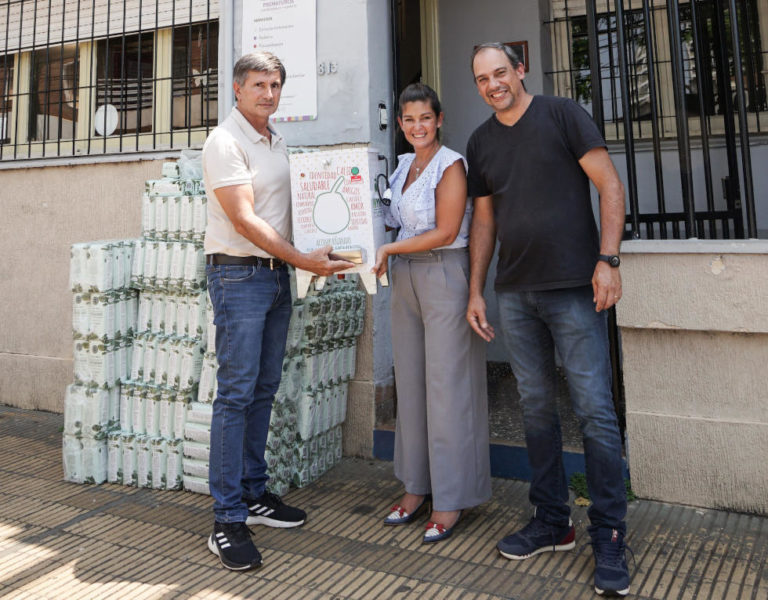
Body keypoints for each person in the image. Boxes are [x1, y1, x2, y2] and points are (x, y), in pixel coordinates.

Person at [465, 43, 630, 596]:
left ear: (520, 70)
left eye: (500, 73)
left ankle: (608, 532)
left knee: (595, 411)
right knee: (536, 409)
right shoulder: (481, 141)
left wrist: (608, 261)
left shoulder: (562, 114)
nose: (493, 85)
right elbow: (483, 222)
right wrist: (476, 289)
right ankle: (552, 521)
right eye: (482, 79)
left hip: (574, 290)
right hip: (515, 294)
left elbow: (609, 185)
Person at [202, 51, 352, 571]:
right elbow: (244, 220)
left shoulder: (276, 140)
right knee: (237, 393)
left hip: (273, 276)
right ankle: (226, 520)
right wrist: (302, 259)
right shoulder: (225, 143)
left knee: (264, 388)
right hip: (239, 275)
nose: (269, 93)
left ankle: (252, 493)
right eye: (259, 84)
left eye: (276, 84)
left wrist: (325, 249)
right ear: (237, 89)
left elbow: (291, 212)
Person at [373, 82, 491, 543]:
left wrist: (390, 246)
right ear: (400, 125)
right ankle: (416, 487)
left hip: (444, 275)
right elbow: (389, 220)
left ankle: (451, 497)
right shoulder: (403, 166)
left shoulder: (452, 165)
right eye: (409, 119)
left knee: (447, 388)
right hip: (405, 277)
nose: (417, 126)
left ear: (438, 120)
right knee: (413, 384)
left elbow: (445, 231)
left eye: (425, 118)